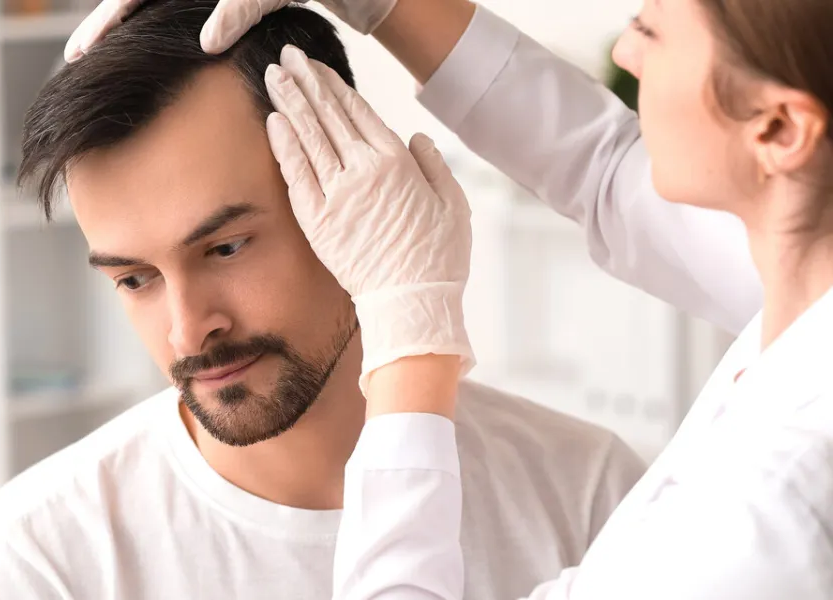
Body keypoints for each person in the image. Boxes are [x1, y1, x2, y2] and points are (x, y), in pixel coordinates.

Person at [71, 0, 833, 597]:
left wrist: (411, 333)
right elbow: (602, 168)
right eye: (133, 276)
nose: (624, 53)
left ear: (778, 127)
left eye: (652, 28)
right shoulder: (36, 559)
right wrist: (386, 4)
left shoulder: (769, 515)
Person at [0, 2, 647, 599]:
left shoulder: (588, 496)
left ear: (362, 179)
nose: (188, 328)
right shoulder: (32, 567)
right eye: (134, 278)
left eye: (227, 247)